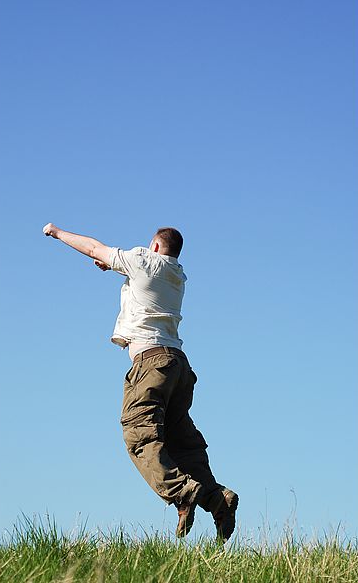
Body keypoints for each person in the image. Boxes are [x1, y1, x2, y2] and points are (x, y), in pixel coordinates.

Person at [42, 223, 239, 541]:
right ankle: (218, 500)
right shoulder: (177, 275)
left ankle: (186, 493)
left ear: (157, 248)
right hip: (177, 365)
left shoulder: (144, 260)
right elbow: (140, 281)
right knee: (182, 443)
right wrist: (116, 267)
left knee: (140, 435)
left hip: (150, 365)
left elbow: (94, 247)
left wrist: (57, 232)